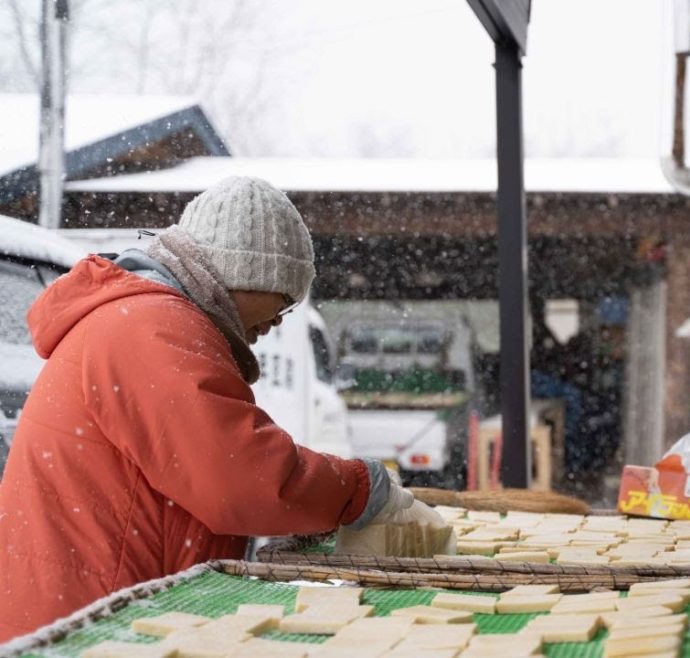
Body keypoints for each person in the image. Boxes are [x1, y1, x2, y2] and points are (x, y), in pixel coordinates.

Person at [0, 176, 416, 641]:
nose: (280, 317)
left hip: (105, 609)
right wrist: (359, 488)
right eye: (282, 295)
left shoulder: (145, 318)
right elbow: (241, 477)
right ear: (243, 272)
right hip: (97, 627)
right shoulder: (149, 326)